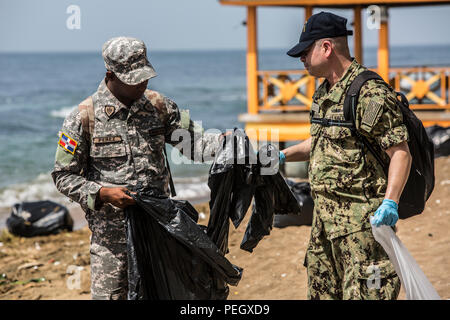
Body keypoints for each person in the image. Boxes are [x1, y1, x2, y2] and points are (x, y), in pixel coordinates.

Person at [51, 37, 222, 300]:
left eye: (145, 76)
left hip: (161, 230)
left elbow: (195, 145)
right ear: (111, 75)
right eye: (134, 79)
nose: (142, 83)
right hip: (112, 241)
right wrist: (104, 193)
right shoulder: (82, 117)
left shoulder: (162, 106)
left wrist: (225, 143)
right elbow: (63, 176)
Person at [280, 12, 412, 299]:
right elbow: (319, 142)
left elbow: (400, 152)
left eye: (305, 52)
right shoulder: (324, 92)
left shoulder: (369, 93)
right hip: (325, 226)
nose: (301, 59)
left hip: (362, 229)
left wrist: (390, 202)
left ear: (326, 48)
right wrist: (282, 155)